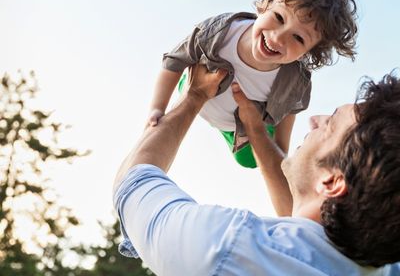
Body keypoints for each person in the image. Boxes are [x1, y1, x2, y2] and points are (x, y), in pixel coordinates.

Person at [113, 65, 400, 275]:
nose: (315, 120)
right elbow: (313, 226)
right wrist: (257, 133)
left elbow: (133, 182)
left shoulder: (226, 251)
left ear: (333, 181)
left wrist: (195, 95)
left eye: (331, 124)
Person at [147, 0, 358, 168]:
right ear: (265, 5)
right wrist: (158, 108)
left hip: (235, 122)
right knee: (165, 123)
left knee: (251, 161)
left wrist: (280, 152)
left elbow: (288, 112)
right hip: (199, 90)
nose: (277, 38)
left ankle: (238, 135)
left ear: (308, 53)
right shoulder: (220, 33)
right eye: (279, 18)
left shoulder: (295, 81)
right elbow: (174, 61)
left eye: (298, 38)